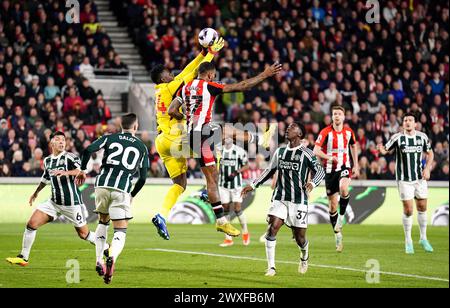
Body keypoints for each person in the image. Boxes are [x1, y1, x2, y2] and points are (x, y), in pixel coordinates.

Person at [169, 61, 282, 238]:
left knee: (224, 140)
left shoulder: (185, 87)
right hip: (202, 135)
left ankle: (261, 139)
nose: (214, 77)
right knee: (212, 178)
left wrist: (186, 117)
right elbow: (242, 86)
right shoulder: (209, 85)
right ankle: (221, 221)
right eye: (213, 75)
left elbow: (171, 110)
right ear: (210, 75)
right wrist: (264, 75)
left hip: (195, 134)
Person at [149, 38, 225, 240]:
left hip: (162, 141)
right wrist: (209, 53)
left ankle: (161, 215)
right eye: (167, 73)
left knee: (180, 184)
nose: (171, 74)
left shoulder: (157, 93)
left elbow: (187, 71)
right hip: (175, 137)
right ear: (162, 77)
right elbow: (191, 73)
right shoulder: (168, 87)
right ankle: (205, 190)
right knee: (212, 145)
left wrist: (203, 52)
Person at [241, 123, 325, 276]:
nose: (288, 128)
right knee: (272, 228)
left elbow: (320, 171)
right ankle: (271, 267)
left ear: (300, 134)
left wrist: (312, 183)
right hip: (280, 198)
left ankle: (304, 256)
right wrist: (253, 185)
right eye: (288, 127)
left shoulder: (307, 154)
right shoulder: (280, 152)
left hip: (298, 201)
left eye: (292, 127)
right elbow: (269, 171)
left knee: (300, 238)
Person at [77, 113, 150, 284]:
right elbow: (143, 178)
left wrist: (82, 170)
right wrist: (132, 195)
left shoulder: (109, 137)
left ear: (120, 125)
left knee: (102, 222)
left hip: (101, 185)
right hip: (122, 188)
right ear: (136, 126)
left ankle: (98, 261)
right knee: (120, 230)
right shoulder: (141, 147)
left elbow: (88, 150)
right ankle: (111, 257)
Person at [6, 131, 96, 266]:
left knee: (84, 234)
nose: (61, 142)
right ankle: (23, 257)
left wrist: (66, 173)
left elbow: (81, 171)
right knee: (31, 224)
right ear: (51, 143)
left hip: (71, 203)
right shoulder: (48, 160)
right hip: (54, 202)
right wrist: (36, 192)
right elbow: (45, 179)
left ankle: (106, 247)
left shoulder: (70, 157)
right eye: (58, 139)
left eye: (63, 140)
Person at [377, 112, 434, 254]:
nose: (407, 122)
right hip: (404, 179)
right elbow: (386, 149)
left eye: (410, 120)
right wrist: (381, 150)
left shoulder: (422, 137)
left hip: (419, 178)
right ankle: (408, 240)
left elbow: (430, 153)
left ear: (415, 123)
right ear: (403, 124)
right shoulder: (397, 138)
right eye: (405, 120)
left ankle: (423, 238)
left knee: (422, 207)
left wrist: (427, 168)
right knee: (408, 210)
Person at [313, 105, 359, 252]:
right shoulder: (326, 132)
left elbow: (353, 146)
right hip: (330, 170)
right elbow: (316, 150)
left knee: (344, 187)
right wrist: (329, 157)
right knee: (332, 205)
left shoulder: (348, 132)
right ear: (332, 117)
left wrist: (356, 165)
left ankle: (341, 215)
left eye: (339, 114)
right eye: (334, 114)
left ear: (344, 117)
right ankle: (337, 235)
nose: (337, 116)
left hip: (345, 166)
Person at [218, 138, 250, 247]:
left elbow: (246, 165)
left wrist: (236, 172)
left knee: (237, 208)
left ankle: (245, 232)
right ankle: (228, 238)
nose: (227, 138)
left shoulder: (239, 151)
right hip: (223, 185)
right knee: (225, 209)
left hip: (236, 185)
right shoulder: (219, 151)